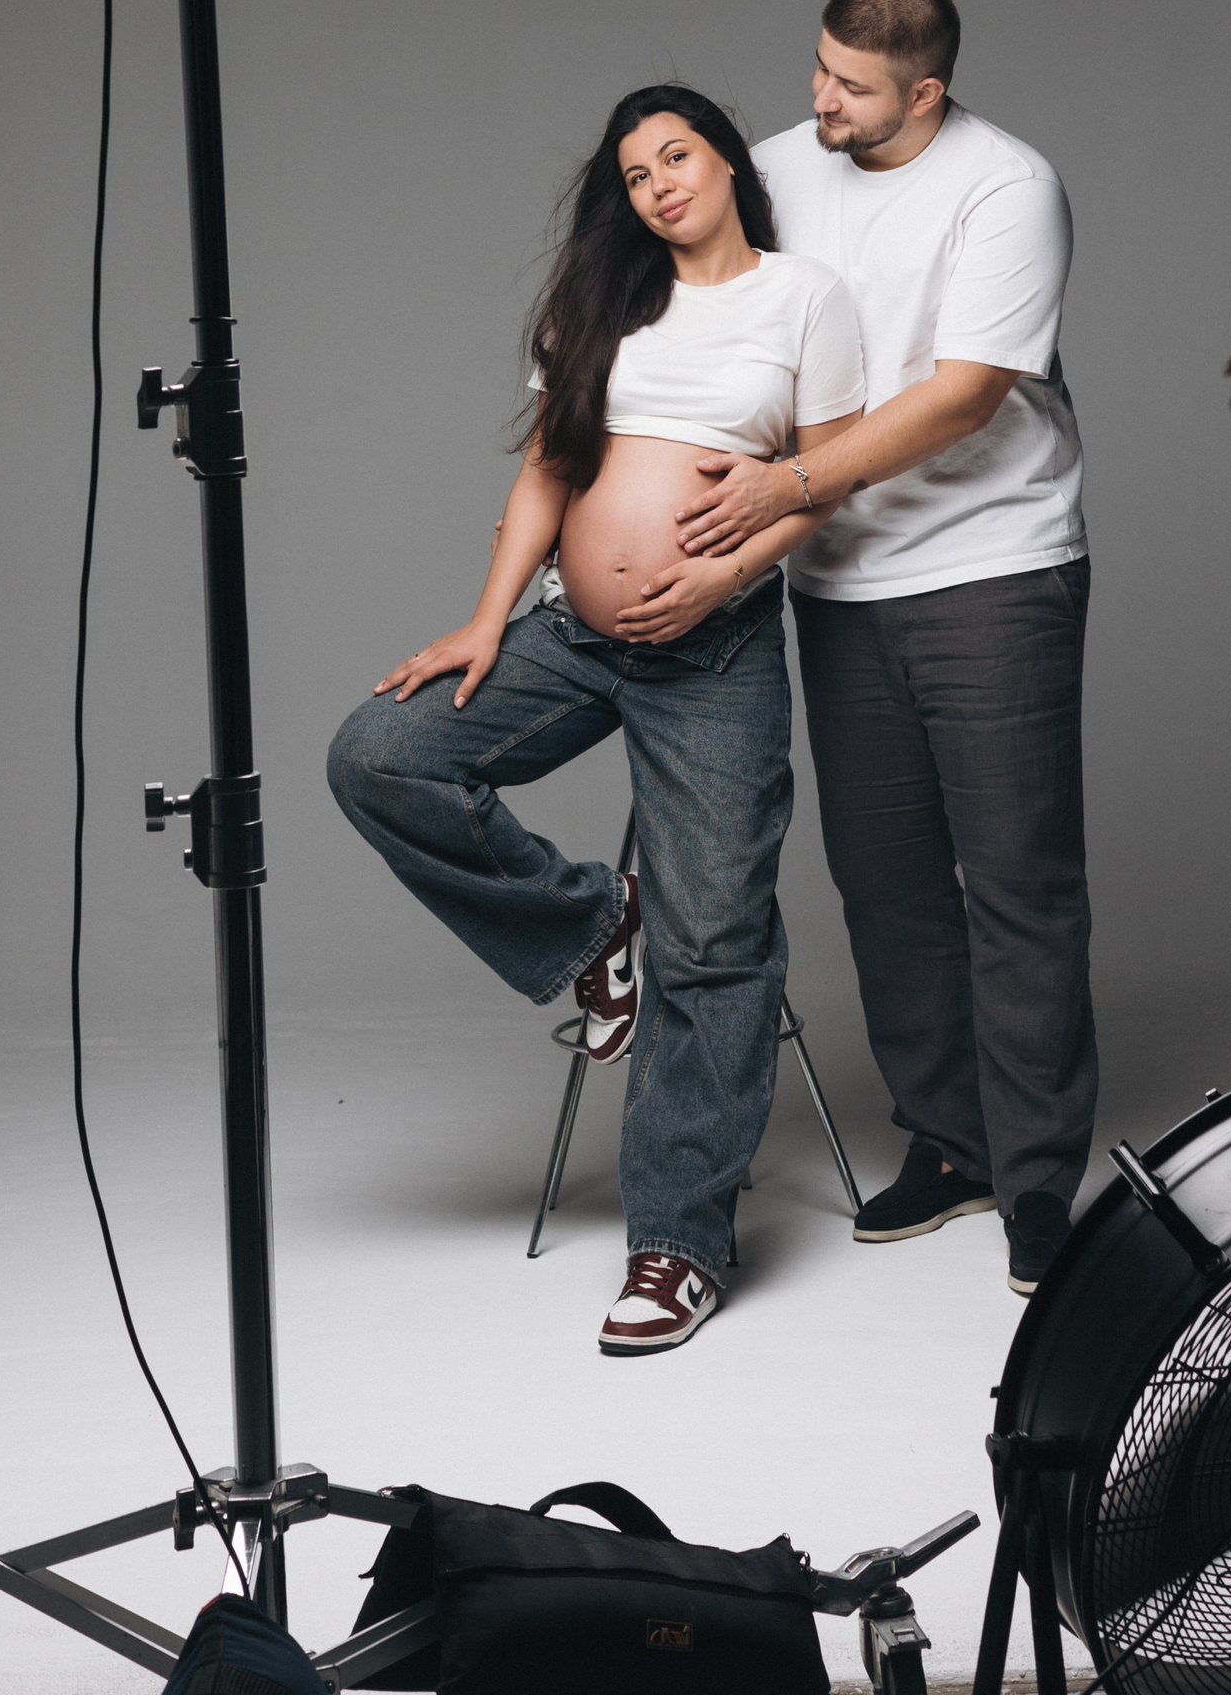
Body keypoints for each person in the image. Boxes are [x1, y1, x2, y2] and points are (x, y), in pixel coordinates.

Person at [327, 85, 863, 1354]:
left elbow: (825, 480)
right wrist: (485, 620)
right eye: (636, 173)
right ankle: (595, 926)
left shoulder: (804, 299)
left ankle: (676, 1245)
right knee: (380, 755)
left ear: (728, 164)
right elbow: (549, 469)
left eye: (678, 156)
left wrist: (723, 578)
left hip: (716, 650)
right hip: (571, 633)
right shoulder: (603, 301)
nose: (660, 184)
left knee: (717, 941)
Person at [675, 0, 1091, 1294]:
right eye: (818, 69)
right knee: (888, 884)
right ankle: (954, 1143)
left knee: (1019, 885)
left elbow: (965, 395)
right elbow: (700, 301)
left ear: (927, 92)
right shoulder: (778, 168)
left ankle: (1040, 1183)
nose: (821, 100)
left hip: (993, 569)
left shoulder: (1006, 187)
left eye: (852, 86)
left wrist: (787, 483)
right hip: (839, 583)